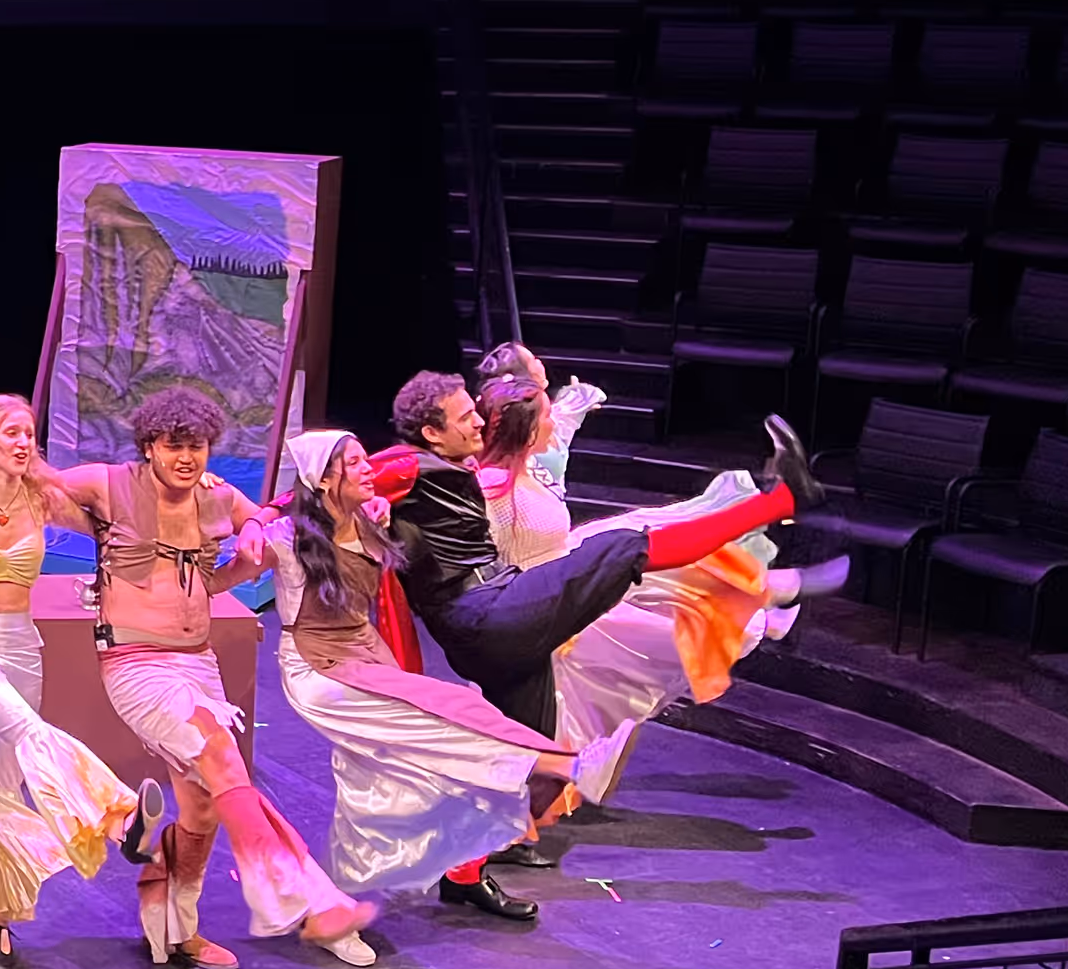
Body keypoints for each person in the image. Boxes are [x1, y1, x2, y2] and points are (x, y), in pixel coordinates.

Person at [52, 383, 371, 969]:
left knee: (202, 807)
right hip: (137, 665)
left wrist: (251, 540)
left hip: (198, 661)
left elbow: (269, 518)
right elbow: (39, 489)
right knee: (223, 758)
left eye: (196, 446)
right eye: (174, 446)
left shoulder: (215, 496)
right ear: (149, 446)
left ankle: (177, 924)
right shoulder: (109, 483)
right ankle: (294, 891)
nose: (186, 457)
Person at [265, 430, 633, 919]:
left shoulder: (374, 519)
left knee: (389, 781)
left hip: (371, 654)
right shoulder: (292, 536)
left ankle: (419, 881)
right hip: (322, 666)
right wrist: (251, 519)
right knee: (448, 722)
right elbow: (250, 539)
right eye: (355, 463)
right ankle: (561, 767)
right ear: (326, 479)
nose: (369, 468)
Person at [476, 372, 843, 761]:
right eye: (546, 414)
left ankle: (776, 575)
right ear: (527, 430)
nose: (554, 418)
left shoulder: (531, 460)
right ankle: (769, 603)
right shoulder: (491, 488)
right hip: (547, 603)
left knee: (659, 540)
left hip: (568, 569)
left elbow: (560, 425)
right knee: (665, 625)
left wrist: (576, 399)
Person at [0, 396, 152, 969]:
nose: (24, 443)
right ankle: (114, 814)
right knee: (29, 731)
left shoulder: (41, 497)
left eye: (29, 433)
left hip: (23, 647)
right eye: (11, 433)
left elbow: (115, 526)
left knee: (5, 777)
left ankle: (0, 917)